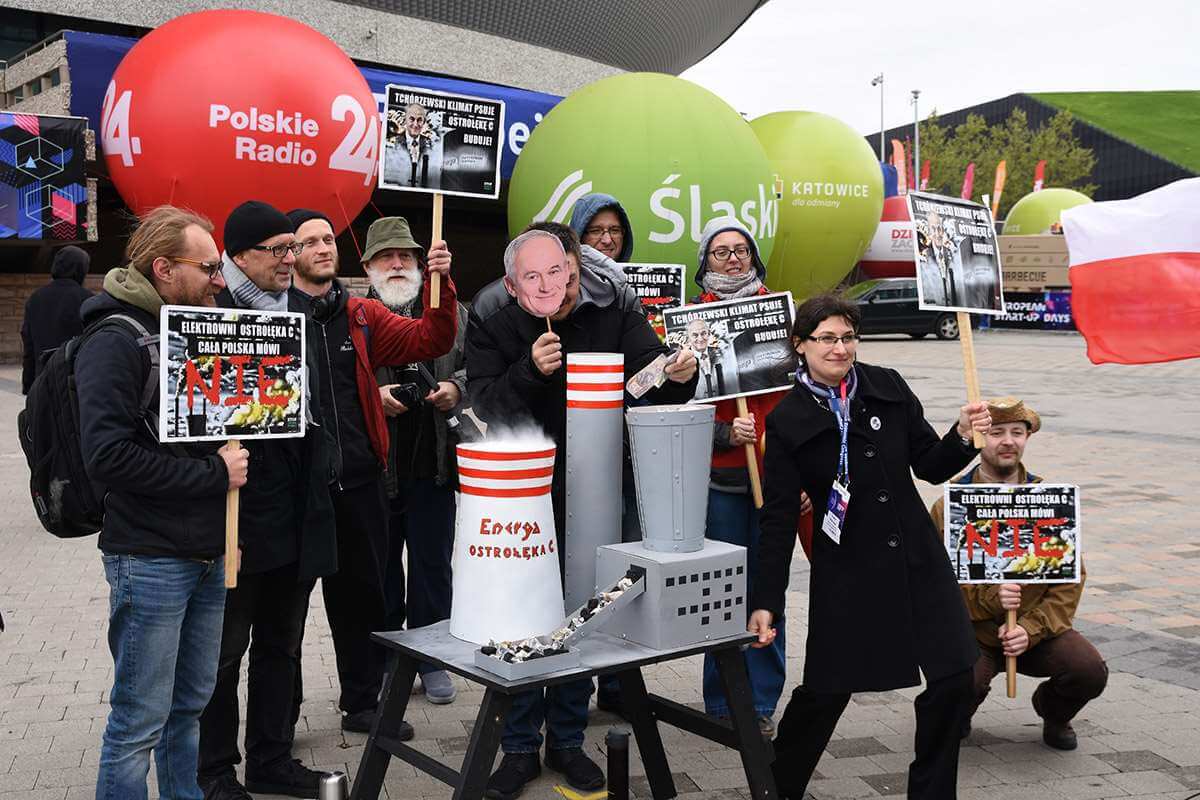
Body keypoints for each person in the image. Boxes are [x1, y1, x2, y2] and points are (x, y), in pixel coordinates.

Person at [466, 229, 698, 800]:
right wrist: (529, 369)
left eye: (566, 272)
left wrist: (676, 375)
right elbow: (479, 410)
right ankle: (518, 747)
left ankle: (567, 740)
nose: (558, 286)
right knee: (524, 615)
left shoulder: (612, 306)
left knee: (579, 612)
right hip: (523, 492)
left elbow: (644, 382)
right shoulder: (492, 315)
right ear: (518, 281)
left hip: (596, 484)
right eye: (541, 277)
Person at [750, 293, 992, 799]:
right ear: (801, 346)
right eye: (827, 339)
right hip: (849, 569)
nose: (840, 349)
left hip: (918, 559)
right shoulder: (789, 417)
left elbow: (929, 464)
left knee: (953, 678)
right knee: (827, 688)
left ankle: (931, 791)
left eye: (848, 337)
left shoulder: (886, 386)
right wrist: (765, 602)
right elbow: (776, 519)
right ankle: (777, 786)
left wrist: (964, 436)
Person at [78, 206, 249, 800]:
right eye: (206, 267)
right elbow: (109, 458)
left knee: (188, 711)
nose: (217, 280)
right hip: (149, 559)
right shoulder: (114, 339)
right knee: (137, 724)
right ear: (162, 269)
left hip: (206, 552)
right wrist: (213, 475)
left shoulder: (190, 329)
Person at [289, 207, 459, 737]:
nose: (322, 247)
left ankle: (362, 705)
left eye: (327, 239)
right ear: (288, 254)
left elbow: (431, 339)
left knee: (360, 599)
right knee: (285, 615)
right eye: (309, 241)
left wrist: (440, 281)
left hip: (363, 481)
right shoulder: (274, 314)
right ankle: (277, 726)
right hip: (297, 488)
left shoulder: (359, 314)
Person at [197, 201, 338, 800]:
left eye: (292, 248)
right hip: (234, 517)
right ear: (238, 256)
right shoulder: (209, 314)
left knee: (281, 644)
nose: (290, 259)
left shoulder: (297, 312)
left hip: (294, 510)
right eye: (277, 250)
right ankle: (212, 770)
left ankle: (271, 759)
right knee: (225, 652)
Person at [929, 397, 1107, 751]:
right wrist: (991, 599)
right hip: (973, 633)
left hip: (1034, 630)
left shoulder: (1050, 500)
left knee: (1088, 670)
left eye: (1017, 432)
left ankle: (1054, 713)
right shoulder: (950, 505)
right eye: (996, 433)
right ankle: (958, 712)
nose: (1008, 441)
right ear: (980, 437)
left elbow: (1070, 581)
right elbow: (935, 585)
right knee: (961, 682)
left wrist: (1030, 628)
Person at [690, 217, 790, 736]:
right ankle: (724, 701)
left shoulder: (779, 315)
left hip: (775, 479)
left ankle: (763, 702)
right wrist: (727, 434)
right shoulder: (692, 323)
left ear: (754, 257)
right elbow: (679, 404)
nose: (732, 259)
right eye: (721, 252)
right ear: (705, 262)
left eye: (741, 250)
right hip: (722, 481)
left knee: (768, 590)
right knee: (721, 593)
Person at [365, 216, 468, 706]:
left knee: (433, 567)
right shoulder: (355, 316)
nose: (398, 262)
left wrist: (457, 388)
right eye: (387, 256)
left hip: (434, 464)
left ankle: (432, 657)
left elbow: (475, 364)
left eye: (406, 254)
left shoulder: (454, 312)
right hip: (376, 471)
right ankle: (388, 657)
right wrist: (374, 393)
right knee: (380, 568)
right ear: (367, 266)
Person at [21, 244, 92, 393]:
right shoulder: (87, 300)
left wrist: (28, 385)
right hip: (75, 383)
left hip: (42, 381)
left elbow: (28, 345)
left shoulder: (35, 298)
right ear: (81, 269)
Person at [568, 192, 633, 264]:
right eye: (596, 231)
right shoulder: (561, 275)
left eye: (615, 230)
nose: (607, 241)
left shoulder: (636, 273)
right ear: (578, 236)